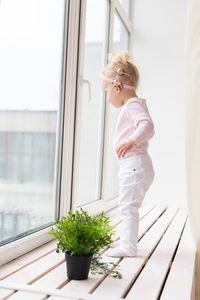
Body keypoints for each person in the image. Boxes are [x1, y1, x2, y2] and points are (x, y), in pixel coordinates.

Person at [101, 51, 155, 257]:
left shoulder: (132, 105)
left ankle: (129, 247)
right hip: (136, 165)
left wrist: (131, 140)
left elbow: (148, 126)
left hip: (134, 165)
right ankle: (126, 241)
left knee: (128, 208)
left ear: (116, 87)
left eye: (107, 92)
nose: (107, 98)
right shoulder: (135, 105)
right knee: (128, 206)